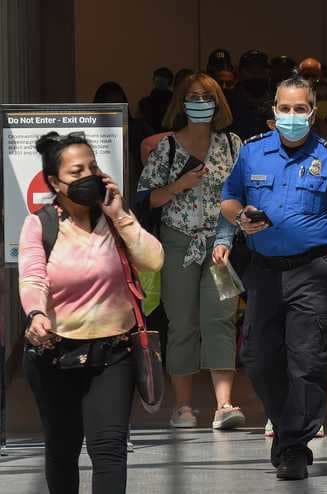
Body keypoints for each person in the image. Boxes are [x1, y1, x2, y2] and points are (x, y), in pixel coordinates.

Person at [220, 77, 327, 480]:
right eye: (284, 109)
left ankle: (292, 445)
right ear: (274, 110)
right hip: (264, 273)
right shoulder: (252, 153)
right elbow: (228, 198)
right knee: (257, 356)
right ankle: (287, 425)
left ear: (312, 112)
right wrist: (239, 219)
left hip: (311, 270)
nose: (292, 116)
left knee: (307, 360)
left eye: (300, 109)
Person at [20, 132, 164, 494]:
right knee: (62, 449)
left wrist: (121, 217)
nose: (89, 176)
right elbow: (33, 276)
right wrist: (37, 313)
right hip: (56, 354)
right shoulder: (41, 225)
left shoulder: (115, 219)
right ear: (55, 182)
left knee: (109, 449)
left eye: (93, 167)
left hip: (113, 352)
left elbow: (154, 260)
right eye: (77, 171)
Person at [137, 73, 245, 430]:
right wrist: (177, 186)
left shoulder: (232, 145)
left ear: (219, 102)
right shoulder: (165, 148)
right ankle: (182, 406)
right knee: (181, 323)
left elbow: (243, 193)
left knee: (221, 319)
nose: (200, 102)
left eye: (207, 96)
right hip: (177, 241)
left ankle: (224, 404)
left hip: (221, 245)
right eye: (193, 96)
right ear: (180, 102)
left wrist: (228, 236)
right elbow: (144, 199)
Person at [93, 81, 154, 207]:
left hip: (135, 196)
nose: (114, 109)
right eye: (108, 104)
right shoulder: (92, 133)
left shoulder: (140, 129)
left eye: (117, 103)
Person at [230, 49, 274, 140]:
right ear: (241, 72)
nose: (256, 74)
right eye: (251, 70)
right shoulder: (230, 99)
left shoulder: (276, 97)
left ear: (267, 72)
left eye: (260, 70)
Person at [139, 67, 174, 132]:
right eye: (159, 75)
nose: (161, 79)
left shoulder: (174, 102)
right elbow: (140, 123)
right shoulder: (144, 102)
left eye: (164, 76)